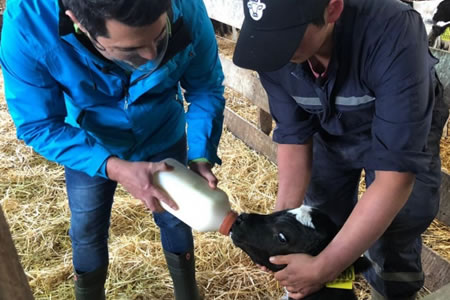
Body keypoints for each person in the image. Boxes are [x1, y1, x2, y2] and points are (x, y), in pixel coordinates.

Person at [0, 0, 225, 299]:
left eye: (160, 37)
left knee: (177, 215)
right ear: (77, 23)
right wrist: (113, 166)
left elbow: (205, 87)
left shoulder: (186, 7)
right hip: (89, 141)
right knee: (87, 226)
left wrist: (200, 151)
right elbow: (38, 124)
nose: (150, 55)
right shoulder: (29, 23)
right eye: (130, 50)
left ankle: (187, 292)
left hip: (161, 127)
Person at [233, 0, 449, 299]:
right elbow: (295, 138)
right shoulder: (272, 47)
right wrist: (282, 231)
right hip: (328, 122)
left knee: (397, 222)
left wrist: (323, 268)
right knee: (321, 214)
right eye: (269, 35)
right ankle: (334, 293)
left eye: (289, 34)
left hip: (402, 129)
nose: (275, 49)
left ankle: (392, 293)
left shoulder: (392, 29)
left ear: (332, 9)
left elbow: (395, 174)